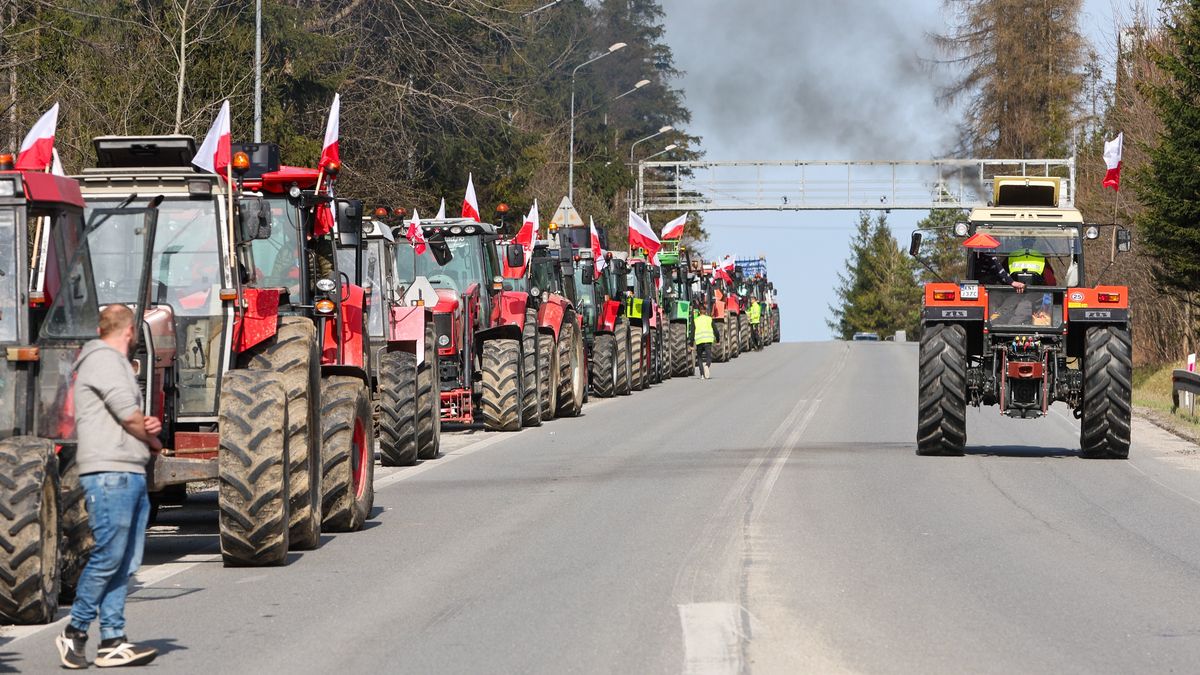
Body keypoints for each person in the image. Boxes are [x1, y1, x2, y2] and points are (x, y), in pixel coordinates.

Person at [56, 305, 160, 669]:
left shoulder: (110, 364)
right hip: (110, 473)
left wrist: (143, 426)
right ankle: (76, 630)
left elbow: (125, 416)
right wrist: (151, 436)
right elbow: (127, 415)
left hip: (126, 470)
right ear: (130, 331)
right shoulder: (103, 359)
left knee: (125, 561)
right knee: (109, 556)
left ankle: (113, 640)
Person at [694, 305, 718, 379]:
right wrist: (718, 339)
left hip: (699, 341)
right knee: (708, 357)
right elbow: (716, 330)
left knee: (700, 358)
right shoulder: (709, 319)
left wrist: (690, 343)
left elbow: (692, 332)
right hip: (708, 341)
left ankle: (702, 375)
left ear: (699, 312)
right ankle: (707, 366)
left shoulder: (696, 320)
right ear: (705, 312)